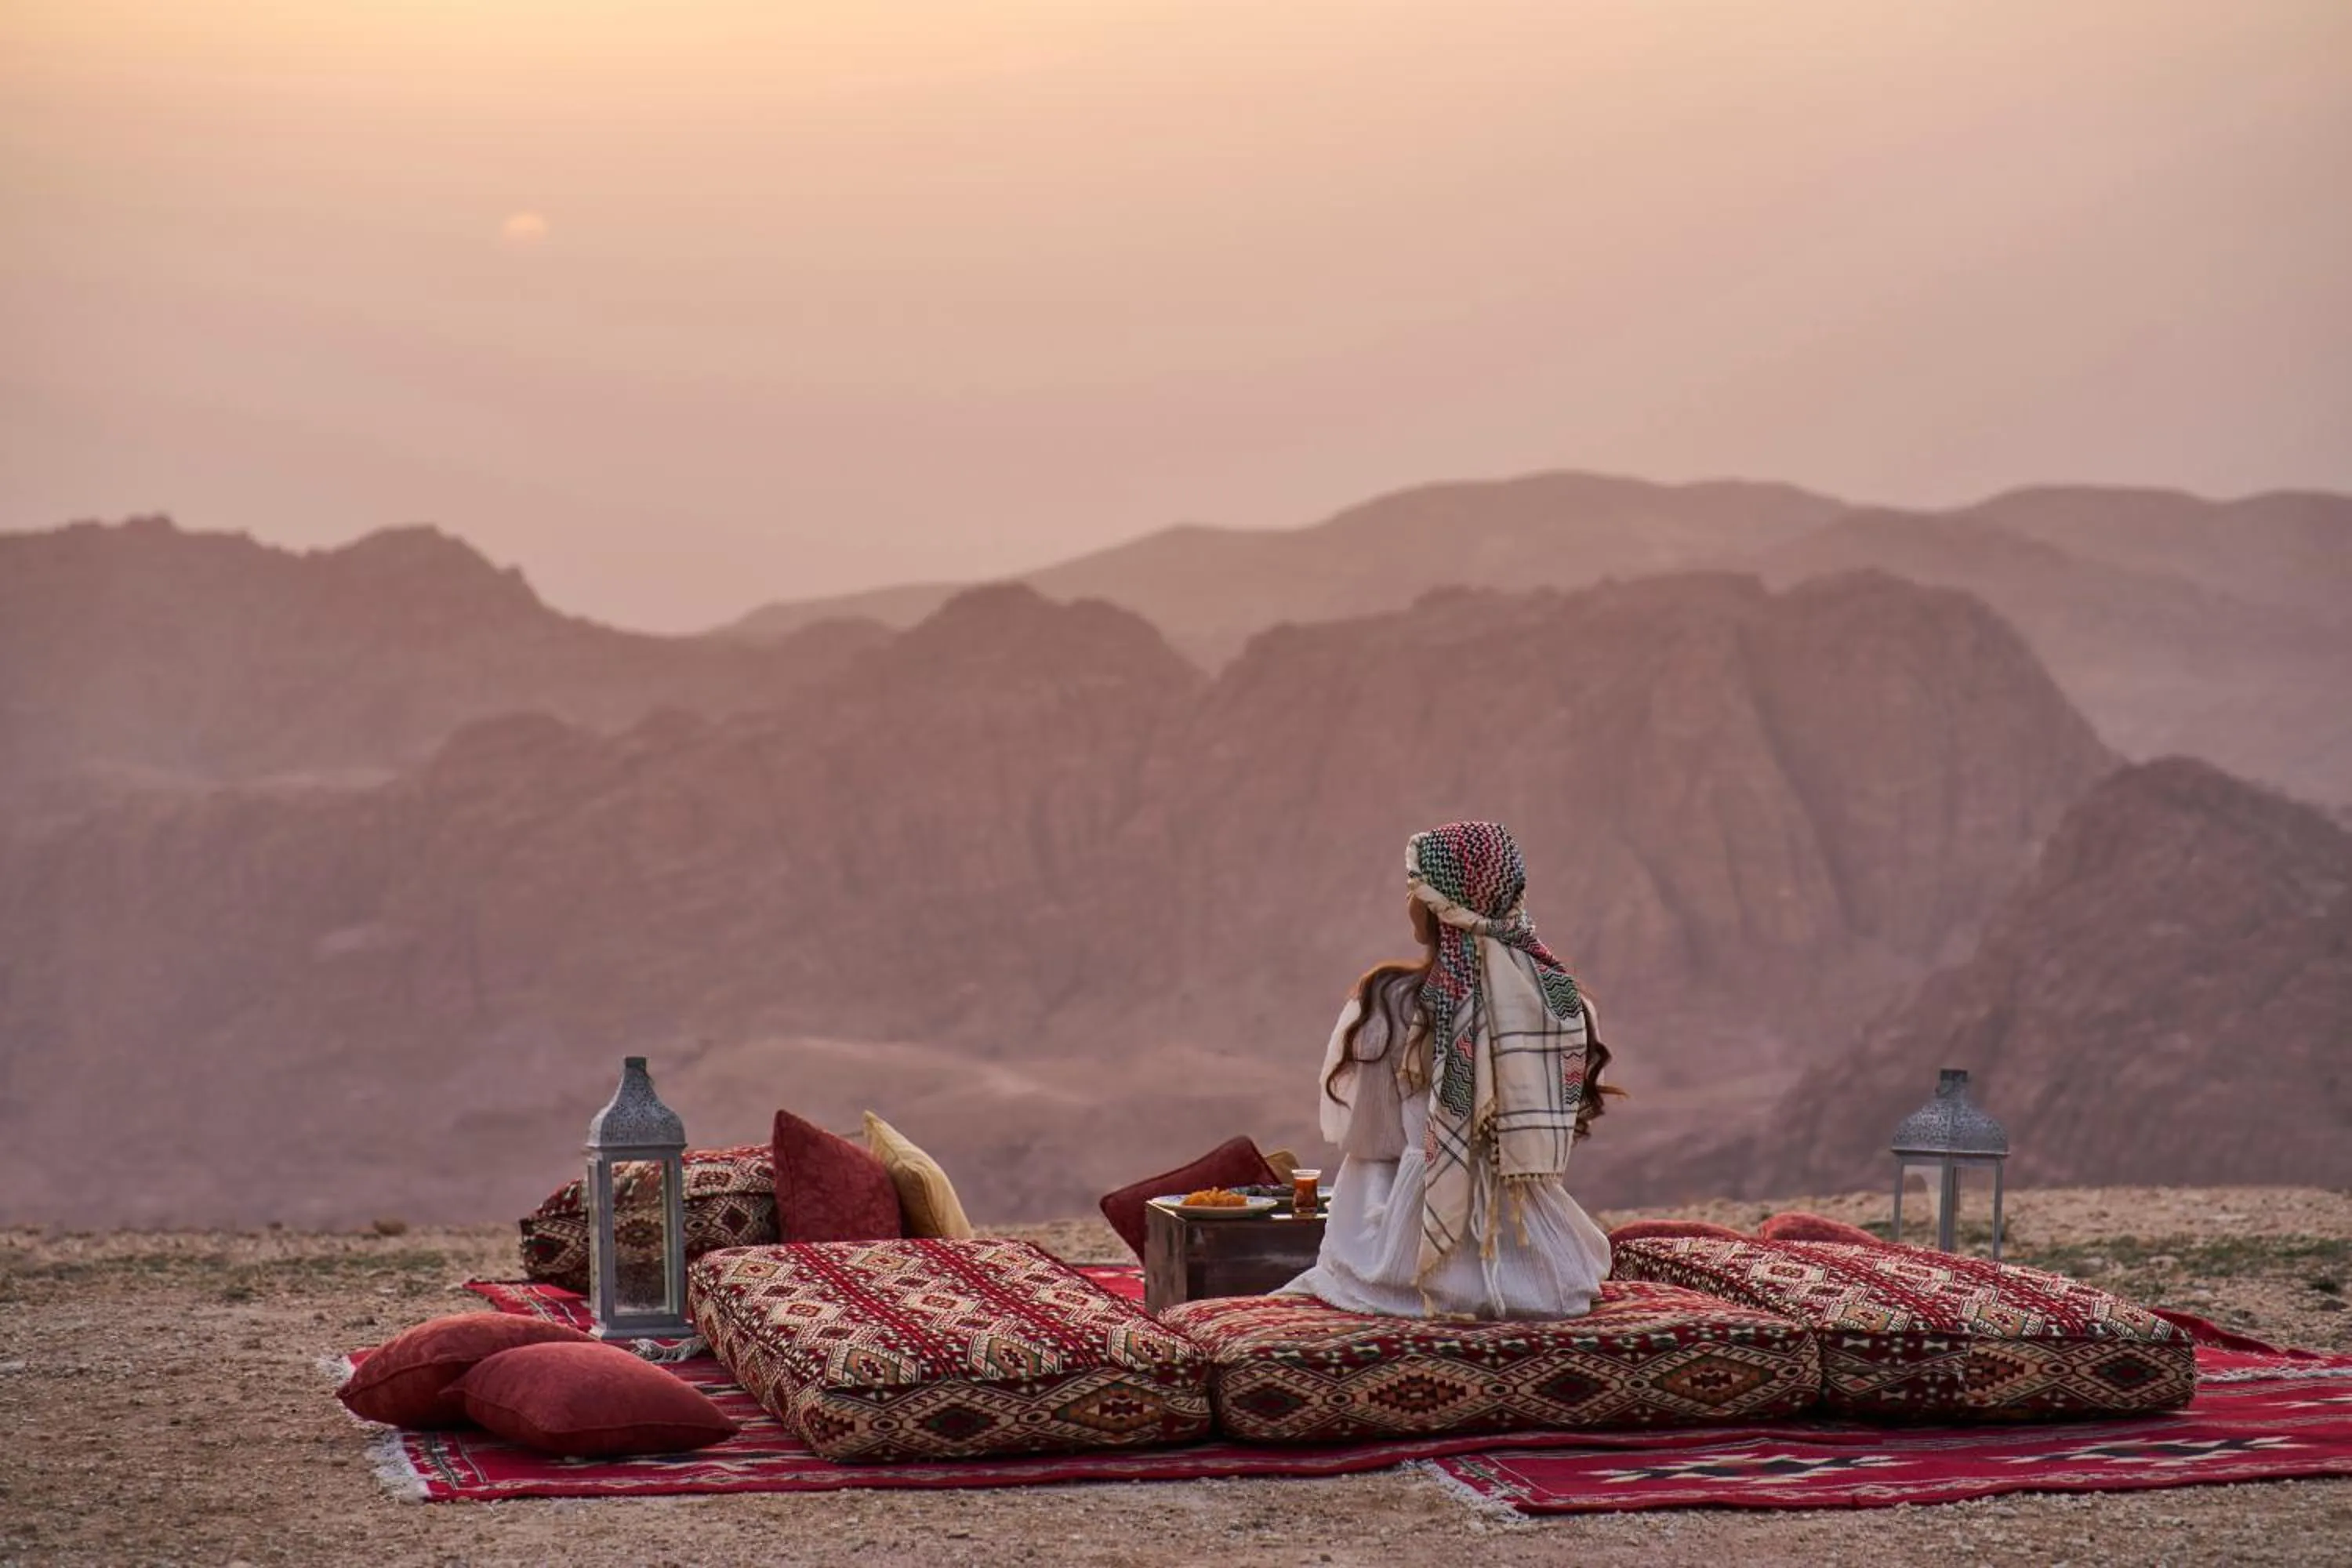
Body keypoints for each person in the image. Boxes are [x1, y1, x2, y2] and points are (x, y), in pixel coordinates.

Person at [1279, 821, 1619, 1319]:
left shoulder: (1389, 1004)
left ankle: (1423, 1273)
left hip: (1408, 1267)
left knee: (1371, 1163)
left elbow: (1372, 1141)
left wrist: (1437, 1143)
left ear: (1436, 905)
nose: (1407, 903)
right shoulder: (1568, 1004)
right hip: (1546, 1269)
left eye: (1412, 889)